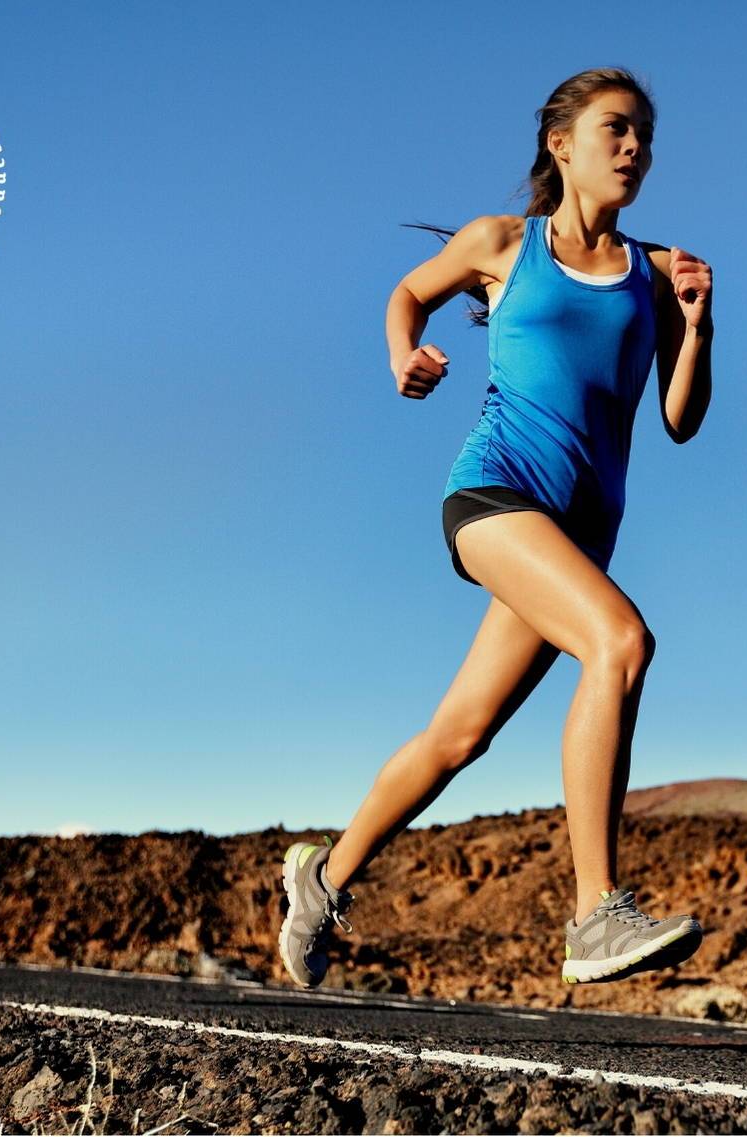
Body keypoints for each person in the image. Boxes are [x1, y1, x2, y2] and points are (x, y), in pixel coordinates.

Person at [277, 67, 716, 989]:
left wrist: (698, 327)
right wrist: (403, 353)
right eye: (615, 128)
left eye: (644, 134)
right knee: (621, 641)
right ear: (562, 143)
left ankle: (323, 876)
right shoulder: (504, 242)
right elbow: (407, 294)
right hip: (495, 492)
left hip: (579, 536)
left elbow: (680, 419)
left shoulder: (657, 272)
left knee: (460, 735)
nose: (635, 148)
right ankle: (596, 911)